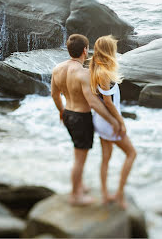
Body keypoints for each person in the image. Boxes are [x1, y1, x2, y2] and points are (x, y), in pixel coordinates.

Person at [51, 33, 120, 206]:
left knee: (77, 153)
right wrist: (112, 120)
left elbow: (54, 94)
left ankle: (79, 185)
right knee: (80, 159)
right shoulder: (83, 74)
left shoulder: (57, 68)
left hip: (68, 113)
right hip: (81, 117)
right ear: (85, 50)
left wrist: (61, 111)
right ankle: (75, 196)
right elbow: (93, 103)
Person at [90, 35, 137, 209]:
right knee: (132, 154)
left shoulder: (96, 69)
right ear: (109, 51)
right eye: (113, 49)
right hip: (109, 122)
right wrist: (120, 122)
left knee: (105, 159)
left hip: (101, 121)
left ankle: (104, 194)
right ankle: (119, 194)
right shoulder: (104, 73)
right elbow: (108, 103)